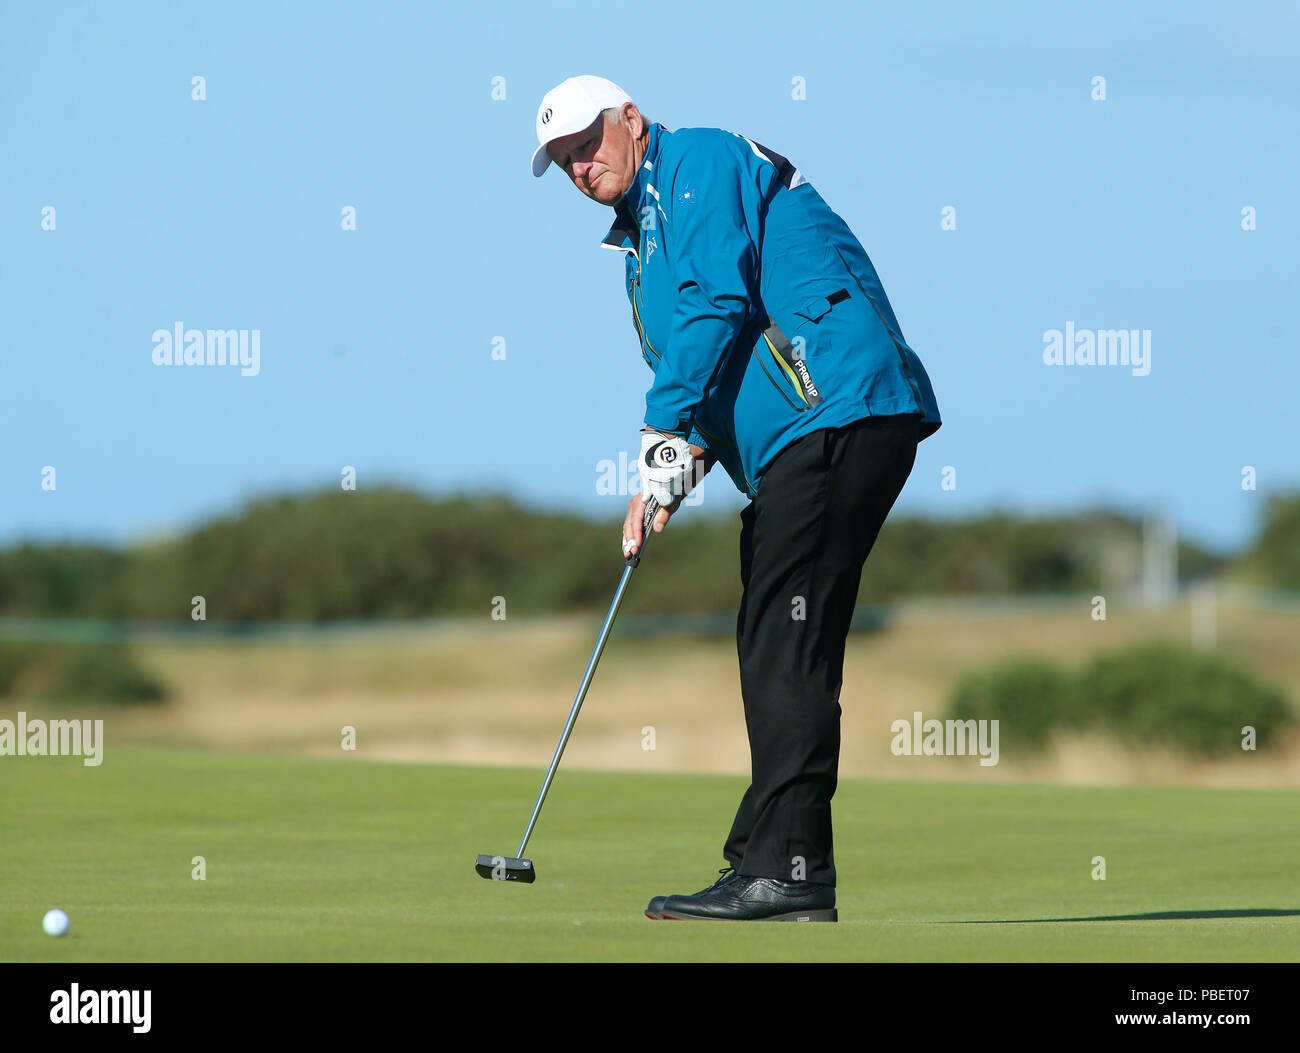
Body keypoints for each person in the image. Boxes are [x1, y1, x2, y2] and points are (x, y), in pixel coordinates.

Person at [531, 75, 941, 922]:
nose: (579, 164)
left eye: (587, 141)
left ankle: (786, 871)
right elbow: (714, 367)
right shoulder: (643, 240)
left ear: (631, 120)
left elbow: (716, 302)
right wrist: (672, 477)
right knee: (779, 637)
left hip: (836, 410)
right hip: (806, 433)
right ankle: (771, 862)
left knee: (782, 640)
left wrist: (657, 432)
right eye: (564, 158)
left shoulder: (699, 164)